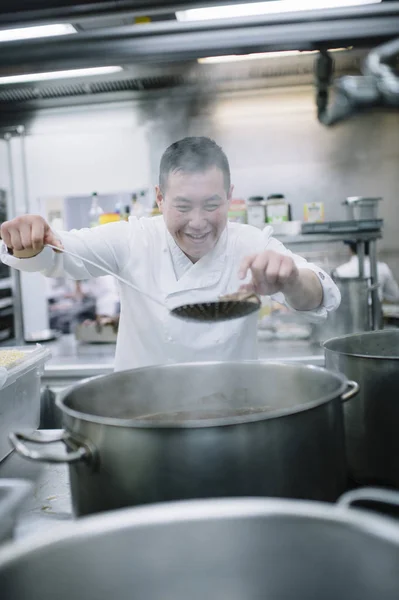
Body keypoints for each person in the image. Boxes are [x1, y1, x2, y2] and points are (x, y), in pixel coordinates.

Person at [0, 137, 340, 371]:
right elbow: (61, 254)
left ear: (229, 196)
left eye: (211, 205)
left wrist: (292, 279)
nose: (198, 223)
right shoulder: (132, 238)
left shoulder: (250, 242)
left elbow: (319, 293)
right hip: (143, 417)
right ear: (160, 198)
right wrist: (29, 240)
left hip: (233, 412)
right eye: (182, 206)